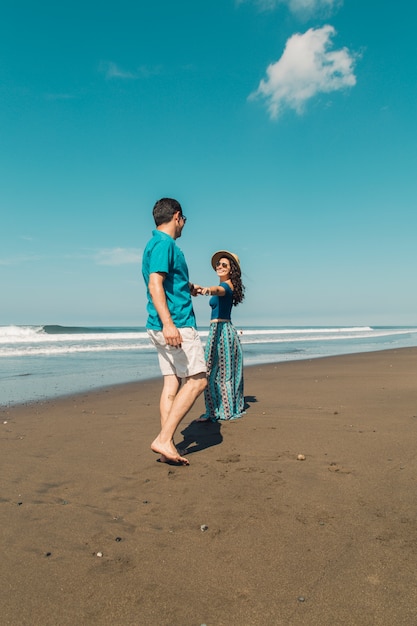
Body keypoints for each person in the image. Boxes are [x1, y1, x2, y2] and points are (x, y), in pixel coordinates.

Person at [142, 198, 207, 465]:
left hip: (158, 325)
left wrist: (186, 286)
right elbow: (155, 284)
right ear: (177, 216)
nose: (184, 226)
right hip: (176, 324)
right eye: (184, 220)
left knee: (172, 381)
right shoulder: (164, 243)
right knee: (198, 379)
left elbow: (167, 280)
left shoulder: (155, 244)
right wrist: (169, 323)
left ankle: (167, 443)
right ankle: (164, 438)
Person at [196, 250, 245, 422]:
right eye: (219, 264)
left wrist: (205, 290)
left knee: (219, 372)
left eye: (225, 264)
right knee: (212, 371)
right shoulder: (226, 286)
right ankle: (214, 409)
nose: (220, 266)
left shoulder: (227, 286)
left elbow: (217, 290)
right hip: (217, 330)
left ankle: (223, 410)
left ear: (232, 269)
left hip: (222, 331)